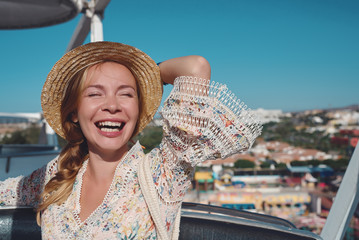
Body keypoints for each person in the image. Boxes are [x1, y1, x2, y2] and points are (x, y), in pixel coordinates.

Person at [0, 41, 262, 239]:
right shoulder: (57, 177)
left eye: (126, 95)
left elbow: (195, 67)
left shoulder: (163, 174)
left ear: (138, 111)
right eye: (94, 94)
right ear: (74, 112)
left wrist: (149, 74)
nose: (112, 106)